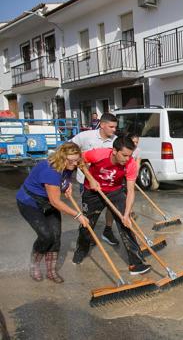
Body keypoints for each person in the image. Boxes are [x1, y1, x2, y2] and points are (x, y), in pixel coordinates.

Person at [72, 135, 151, 275]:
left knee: (126, 224)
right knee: (87, 224)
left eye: (130, 155)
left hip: (115, 192)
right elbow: (80, 161)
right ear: (114, 151)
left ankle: (136, 263)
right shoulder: (98, 154)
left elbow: (131, 191)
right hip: (92, 192)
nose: (127, 159)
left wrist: (126, 214)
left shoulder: (131, 164)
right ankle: (81, 249)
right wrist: (90, 179)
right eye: (124, 155)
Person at [16, 142, 90, 283]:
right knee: (46, 236)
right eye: (72, 161)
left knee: (56, 236)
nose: (75, 164)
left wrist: (66, 184)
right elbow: (56, 202)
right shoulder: (50, 171)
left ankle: (51, 271)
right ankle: (34, 265)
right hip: (30, 203)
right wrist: (78, 215)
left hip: (48, 202)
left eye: (77, 160)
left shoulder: (68, 165)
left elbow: (65, 177)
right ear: (62, 157)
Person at [70, 112, 119, 246]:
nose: (114, 130)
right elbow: (67, 148)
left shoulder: (115, 141)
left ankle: (108, 231)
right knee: (90, 212)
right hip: (87, 181)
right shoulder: (85, 136)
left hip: (108, 181)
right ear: (102, 125)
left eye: (115, 127)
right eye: (111, 127)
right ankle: (88, 235)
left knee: (111, 207)